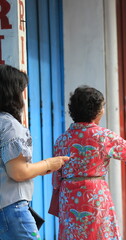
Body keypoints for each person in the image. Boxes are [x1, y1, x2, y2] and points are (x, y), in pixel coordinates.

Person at [52, 86, 126, 239]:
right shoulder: (103, 136)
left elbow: (56, 179)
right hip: (94, 196)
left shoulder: (61, 140)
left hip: (68, 198)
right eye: (102, 107)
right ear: (97, 111)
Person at [0, 64, 69, 239]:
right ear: (12, 94)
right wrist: (49, 164)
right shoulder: (9, 126)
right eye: (22, 92)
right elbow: (18, 172)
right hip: (12, 209)